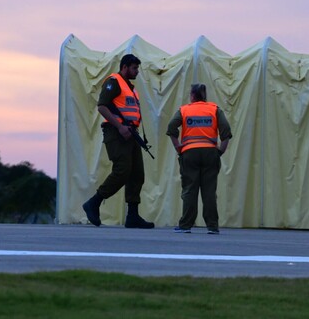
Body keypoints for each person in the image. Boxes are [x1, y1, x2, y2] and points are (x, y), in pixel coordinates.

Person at [82, 54, 155, 229]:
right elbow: (102, 106)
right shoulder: (114, 81)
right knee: (122, 170)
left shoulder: (131, 88)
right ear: (124, 67)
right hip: (116, 133)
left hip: (130, 134)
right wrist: (120, 127)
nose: (137, 72)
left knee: (137, 174)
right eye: (134, 68)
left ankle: (132, 216)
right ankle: (94, 202)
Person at [166, 83, 232, 234]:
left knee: (190, 189)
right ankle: (212, 226)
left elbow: (171, 128)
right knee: (209, 190)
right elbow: (226, 131)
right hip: (210, 152)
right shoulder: (215, 109)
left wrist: (178, 148)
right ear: (204, 95)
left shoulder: (184, 110)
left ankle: (186, 225)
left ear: (192, 96)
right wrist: (220, 151)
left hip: (189, 153)